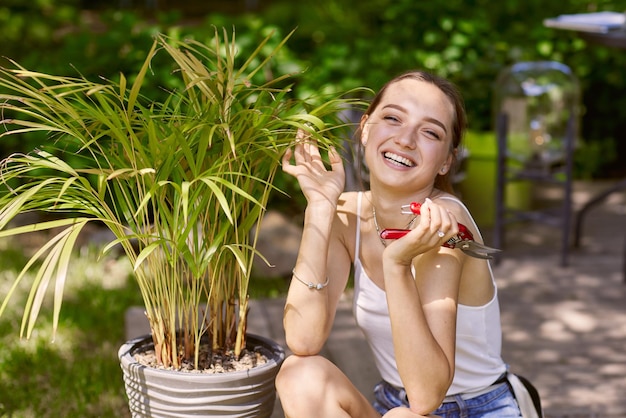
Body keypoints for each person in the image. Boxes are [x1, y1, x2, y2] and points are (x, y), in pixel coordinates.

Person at [276, 70, 522, 418]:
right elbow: (303, 340)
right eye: (392, 118)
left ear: (446, 161)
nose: (406, 139)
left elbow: (425, 397)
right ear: (363, 128)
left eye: (430, 132)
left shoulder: (445, 224)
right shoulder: (346, 212)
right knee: (300, 374)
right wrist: (319, 208)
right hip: (394, 403)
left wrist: (396, 265)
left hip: (480, 408)